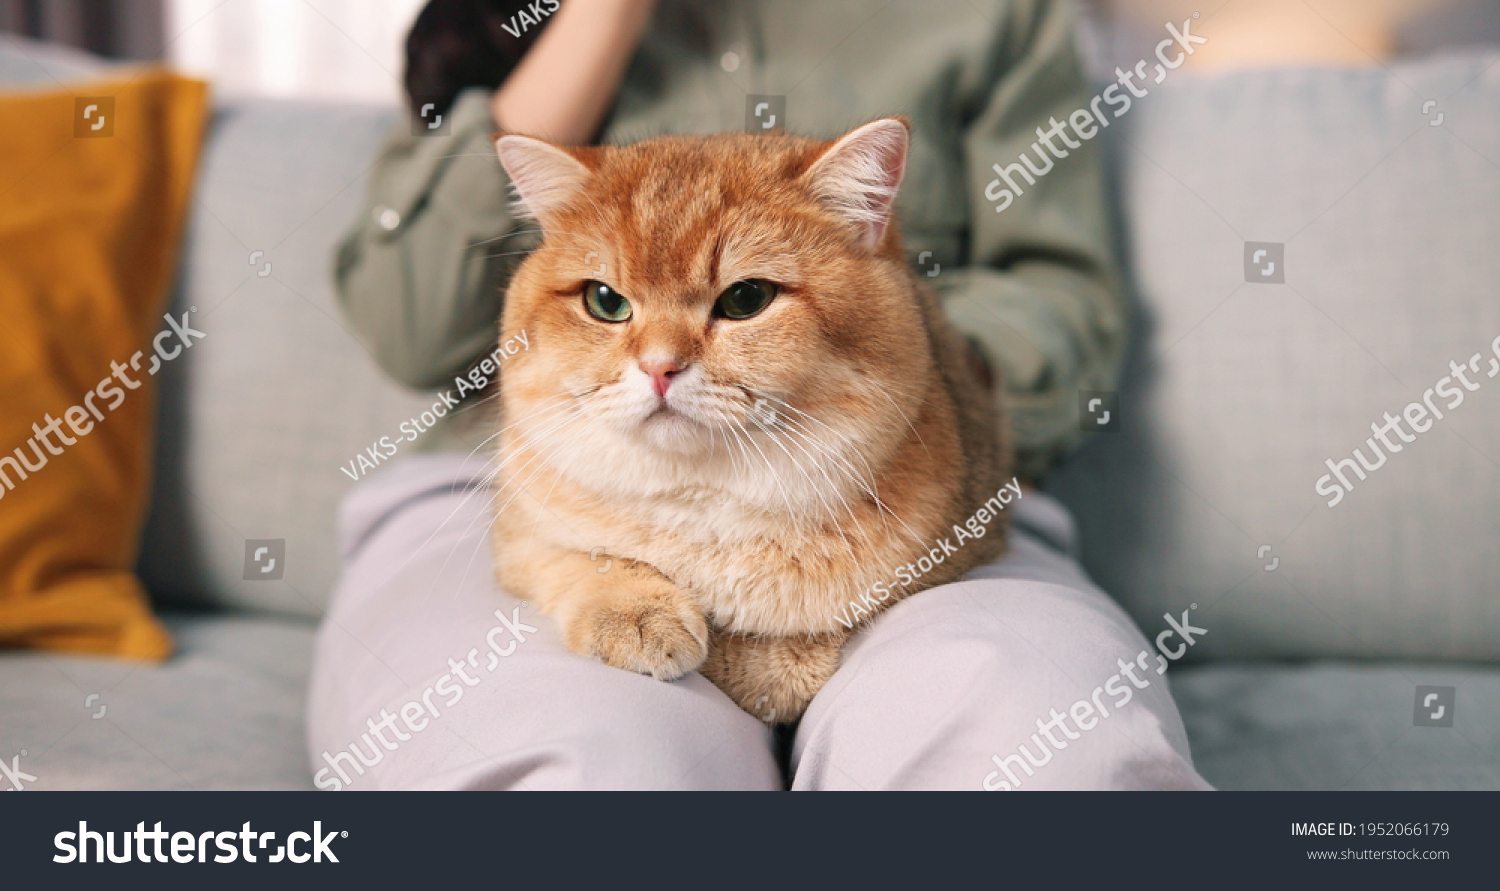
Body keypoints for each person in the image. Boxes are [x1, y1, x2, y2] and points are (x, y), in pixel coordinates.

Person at [307, 0, 1212, 791]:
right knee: (579, 766)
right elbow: (408, 321)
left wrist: (914, 398)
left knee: (1045, 754)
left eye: (740, 299)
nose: (662, 356)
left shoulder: (992, 13)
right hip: (539, 497)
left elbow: (1062, 308)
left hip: (887, 481)